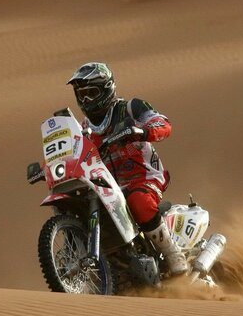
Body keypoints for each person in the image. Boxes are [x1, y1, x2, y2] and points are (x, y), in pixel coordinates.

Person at [67, 62, 188, 275]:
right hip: (108, 185)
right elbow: (73, 154)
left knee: (138, 201)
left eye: (91, 93)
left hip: (144, 177)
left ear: (106, 89)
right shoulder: (82, 128)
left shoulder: (131, 108)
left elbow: (162, 123)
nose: (85, 100)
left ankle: (173, 253)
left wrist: (142, 130)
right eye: (81, 95)